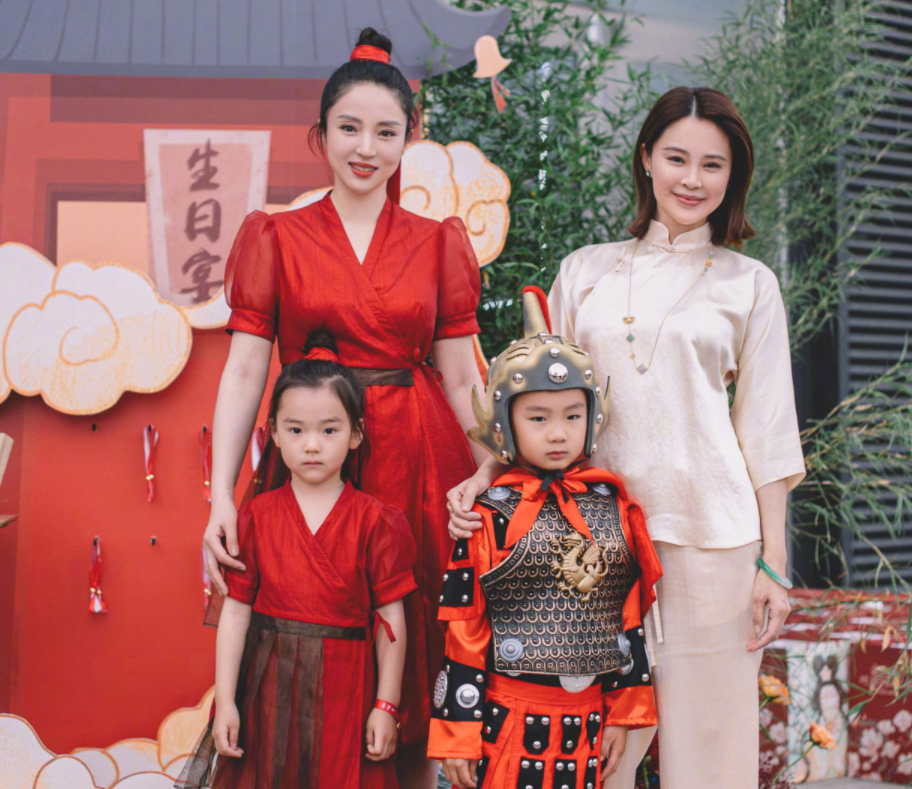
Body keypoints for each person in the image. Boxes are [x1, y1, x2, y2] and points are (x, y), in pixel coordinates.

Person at [447, 87, 807, 789]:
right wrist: (484, 475)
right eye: (676, 158)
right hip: (584, 544)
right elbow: (533, 401)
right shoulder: (586, 270)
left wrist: (773, 563)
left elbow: (766, 427)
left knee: (710, 762)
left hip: (710, 546)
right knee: (585, 759)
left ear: (733, 176)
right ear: (646, 159)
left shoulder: (751, 283)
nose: (692, 179)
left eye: (713, 164)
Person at [202, 27, 487, 788]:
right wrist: (221, 497)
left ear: (409, 138)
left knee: (414, 651)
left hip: (417, 463)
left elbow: (463, 375)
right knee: (292, 653)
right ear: (320, 134)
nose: (367, 148)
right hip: (311, 459)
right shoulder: (277, 236)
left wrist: (491, 474)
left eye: (386, 132)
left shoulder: (436, 242)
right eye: (350, 128)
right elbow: (244, 371)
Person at [429, 287, 662, 789]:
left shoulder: (612, 506)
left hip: (586, 724)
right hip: (506, 722)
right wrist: (458, 732)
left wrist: (623, 712)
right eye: (538, 418)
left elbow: (626, 617)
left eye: (572, 416)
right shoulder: (489, 513)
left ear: (592, 417)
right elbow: (465, 630)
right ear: (504, 423)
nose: (558, 433)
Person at [179, 337, 416, 789]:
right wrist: (226, 701)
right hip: (267, 694)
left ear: (356, 435)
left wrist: (385, 706)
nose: (311, 445)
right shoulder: (254, 518)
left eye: (329, 431)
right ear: (272, 433)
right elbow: (236, 614)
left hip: (347, 697)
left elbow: (392, 622)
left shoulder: (377, 522)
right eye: (295, 430)